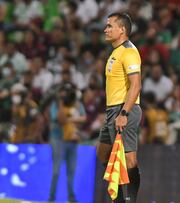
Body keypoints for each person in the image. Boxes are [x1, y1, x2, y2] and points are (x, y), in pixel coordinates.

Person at [96, 13, 142, 203]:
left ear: (122, 30)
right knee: (103, 153)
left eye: (109, 26)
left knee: (129, 160)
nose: (106, 29)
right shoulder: (116, 51)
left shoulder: (129, 51)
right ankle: (120, 198)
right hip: (111, 111)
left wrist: (124, 113)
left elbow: (136, 84)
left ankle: (130, 199)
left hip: (124, 110)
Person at [48, 83, 86, 202]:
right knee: (56, 171)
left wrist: (70, 120)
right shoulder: (56, 104)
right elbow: (60, 120)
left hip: (72, 140)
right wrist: (61, 103)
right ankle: (51, 198)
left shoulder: (77, 104)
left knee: (71, 171)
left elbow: (84, 118)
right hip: (58, 139)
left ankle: (71, 198)